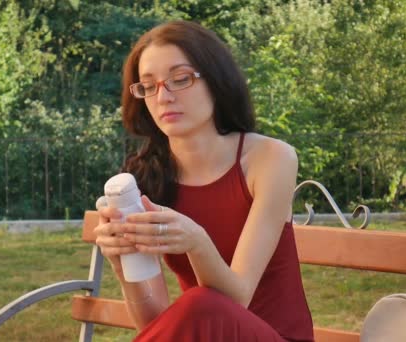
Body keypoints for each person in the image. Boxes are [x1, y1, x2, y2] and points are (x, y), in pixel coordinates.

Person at [94, 20, 314, 342]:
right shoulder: (146, 178)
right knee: (196, 306)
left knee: (199, 301)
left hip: (272, 336)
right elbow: (156, 327)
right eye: (149, 86)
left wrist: (197, 241)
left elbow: (236, 299)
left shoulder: (270, 158)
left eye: (180, 79)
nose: (163, 97)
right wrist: (121, 264)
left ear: (216, 81)